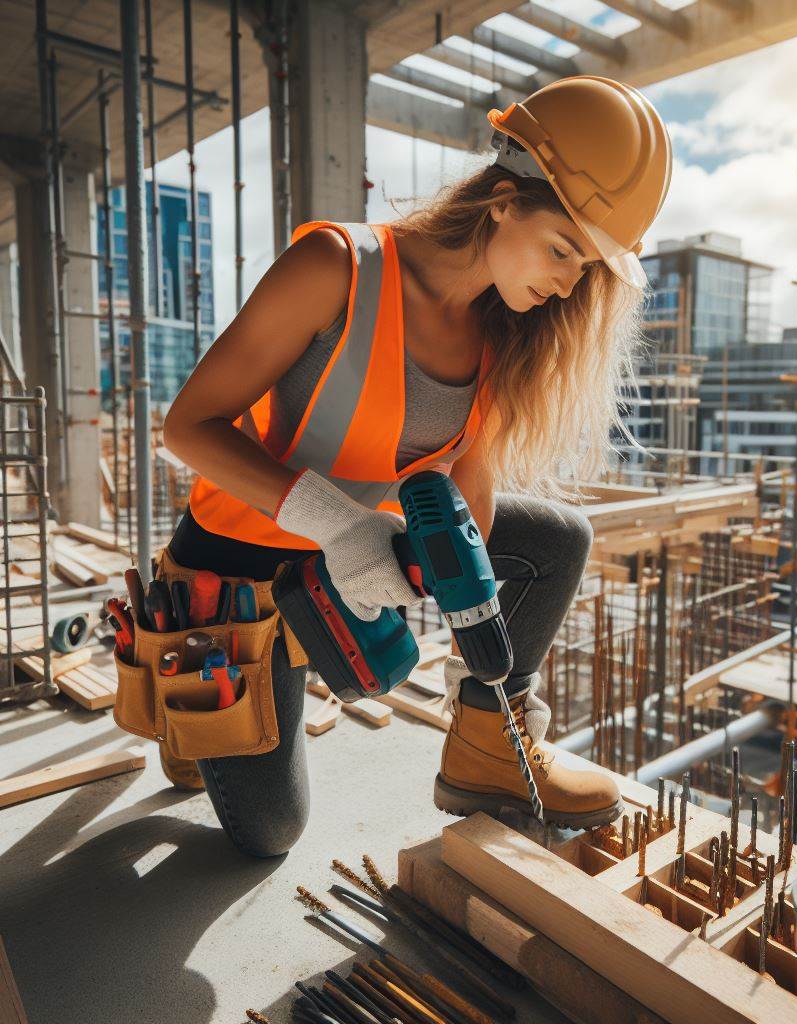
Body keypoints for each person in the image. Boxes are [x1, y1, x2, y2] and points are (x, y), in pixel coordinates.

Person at [162, 74, 672, 857]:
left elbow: (472, 499)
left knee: (558, 538)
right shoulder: (335, 266)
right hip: (244, 565)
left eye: (589, 267)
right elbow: (188, 427)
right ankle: (189, 715)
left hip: (354, 553)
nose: (570, 281)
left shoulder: (504, 336)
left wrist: (452, 601)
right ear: (504, 200)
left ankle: (488, 745)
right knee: (272, 833)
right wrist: (338, 526)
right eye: (565, 248)